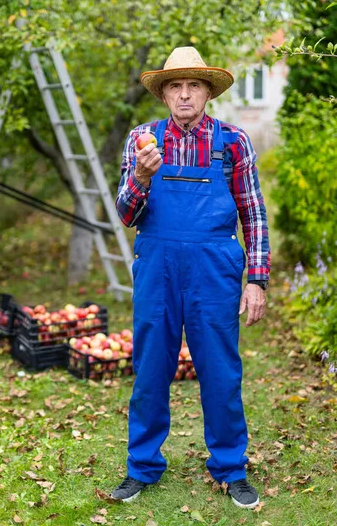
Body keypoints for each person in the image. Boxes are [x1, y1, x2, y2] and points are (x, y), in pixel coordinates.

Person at [112, 47, 271, 509]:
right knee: (150, 370)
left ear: (207, 92)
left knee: (221, 371)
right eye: (175, 86)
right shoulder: (142, 141)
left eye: (194, 85)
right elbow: (125, 214)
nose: (185, 94)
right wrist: (141, 177)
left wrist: (256, 279)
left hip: (214, 271)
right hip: (157, 267)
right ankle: (142, 467)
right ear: (163, 94)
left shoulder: (233, 143)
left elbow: (254, 214)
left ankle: (230, 467)